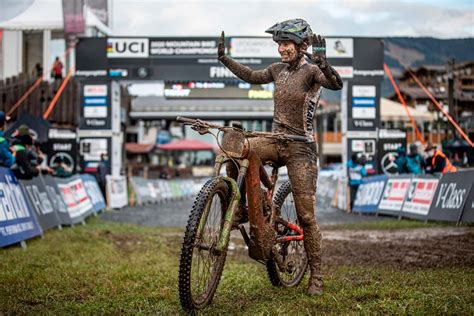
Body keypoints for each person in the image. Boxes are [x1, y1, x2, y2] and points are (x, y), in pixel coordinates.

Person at [218, 19, 343, 296]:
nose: (281, 49)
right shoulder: (277, 70)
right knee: (236, 147)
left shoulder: (312, 72)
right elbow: (251, 75)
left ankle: (317, 277)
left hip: (302, 149)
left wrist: (324, 64)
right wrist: (225, 59)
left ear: (301, 46)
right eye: (279, 44)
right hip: (276, 141)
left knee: (307, 218)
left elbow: (336, 84)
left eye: (285, 44)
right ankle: (240, 208)